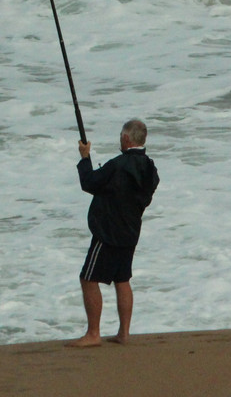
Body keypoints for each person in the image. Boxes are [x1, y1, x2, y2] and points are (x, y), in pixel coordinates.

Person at [66, 118, 159, 347]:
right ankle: (124, 333)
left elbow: (89, 182)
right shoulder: (150, 169)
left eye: (121, 136)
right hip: (130, 231)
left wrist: (85, 158)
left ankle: (93, 334)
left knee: (88, 278)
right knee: (122, 279)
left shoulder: (118, 165)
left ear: (126, 139)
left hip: (108, 232)